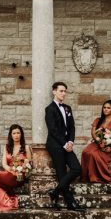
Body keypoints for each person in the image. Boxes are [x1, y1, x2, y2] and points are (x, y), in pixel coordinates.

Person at [44, 81, 84, 211]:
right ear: (54, 91)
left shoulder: (67, 108)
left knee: (77, 168)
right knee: (62, 174)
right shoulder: (49, 109)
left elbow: (72, 126)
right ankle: (71, 203)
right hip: (55, 145)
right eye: (61, 91)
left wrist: (71, 141)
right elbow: (53, 130)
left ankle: (55, 192)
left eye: (65, 91)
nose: (63, 93)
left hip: (68, 144)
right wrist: (65, 143)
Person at [81, 100, 111, 184]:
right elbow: (93, 133)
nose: (105, 109)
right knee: (86, 151)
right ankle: (87, 176)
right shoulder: (98, 120)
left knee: (94, 154)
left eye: (108, 108)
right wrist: (98, 141)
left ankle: (99, 177)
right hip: (97, 143)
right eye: (104, 108)